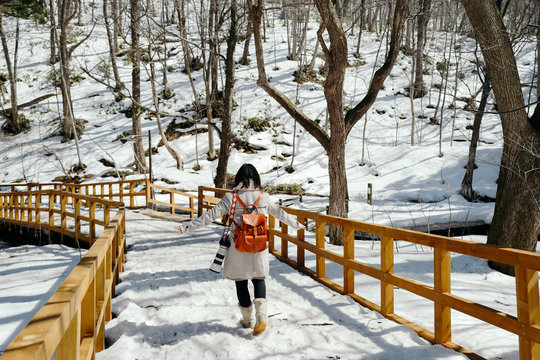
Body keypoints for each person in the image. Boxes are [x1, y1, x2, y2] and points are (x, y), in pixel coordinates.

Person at [174, 163, 304, 334]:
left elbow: (209, 217)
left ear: (239, 178)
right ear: (256, 178)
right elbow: (280, 213)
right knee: (259, 278)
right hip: (259, 245)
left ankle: (248, 319)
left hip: (238, 245)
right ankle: (262, 317)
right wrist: (297, 225)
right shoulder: (263, 197)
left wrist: (186, 227)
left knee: (241, 282)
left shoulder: (232, 198)